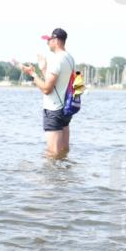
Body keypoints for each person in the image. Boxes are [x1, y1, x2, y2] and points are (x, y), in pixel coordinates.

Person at [19, 28, 75, 159]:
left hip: (54, 110)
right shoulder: (70, 58)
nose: (47, 43)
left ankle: (52, 173)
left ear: (56, 41)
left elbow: (47, 89)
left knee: (52, 154)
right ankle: (65, 172)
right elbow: (56, 83)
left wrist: (32, 74)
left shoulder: (56, 60)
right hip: (66, 109)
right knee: (63, 152)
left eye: (49, 40)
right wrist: (44, 68)